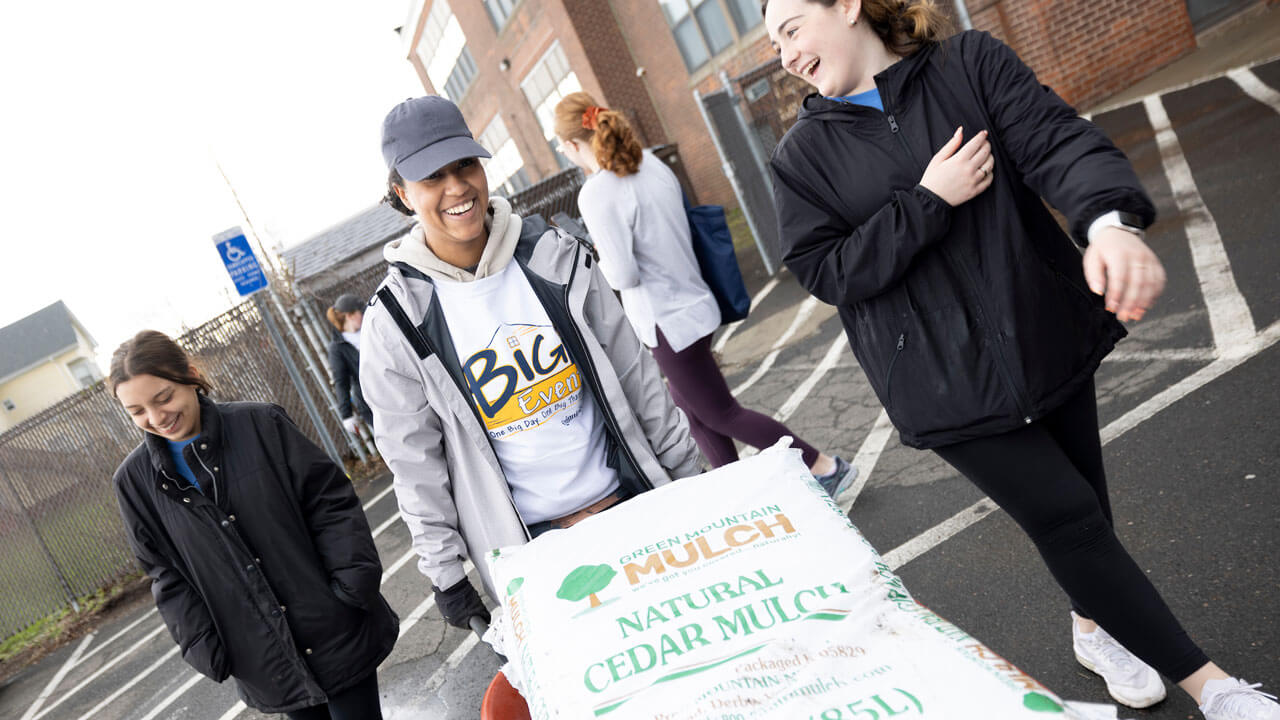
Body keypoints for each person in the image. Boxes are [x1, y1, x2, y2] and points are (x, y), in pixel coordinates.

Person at [762, 1, 1280, 718]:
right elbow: (827, 270)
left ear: (848, 7)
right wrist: (927, 202)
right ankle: (1216, 691)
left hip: (1041, 327)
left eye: (791, 29)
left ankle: (1095, 627)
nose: (785, 56)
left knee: (1088, 505)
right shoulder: (800, 159)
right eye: (774, 44)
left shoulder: (969, 64)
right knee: (1069, 520)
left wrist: (1107, 222)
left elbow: (1055, 140)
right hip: (942, 382)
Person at [360, 95, 702, 629]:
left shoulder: (554, 255)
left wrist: (687, 473)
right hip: (537, 552)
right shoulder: (396, 321)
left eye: (465, 165)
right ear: (403, 194)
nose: (457, 188)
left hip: (633, 505)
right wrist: (446, 575)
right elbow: (414, 463)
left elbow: (637, 377)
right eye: (432, 178)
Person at [552, 91, 858, 498]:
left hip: (666, 323)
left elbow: (623, 274)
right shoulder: (651, 165)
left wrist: (593, 256)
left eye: (560, 146)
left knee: (722, 413)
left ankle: (825, 467)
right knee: (697, 417)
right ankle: (739, 497)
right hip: (694, 307)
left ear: (573, 144)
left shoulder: (597, 193)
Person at [109, 330, 397, 719]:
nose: (157, 418)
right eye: (137, 411)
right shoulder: (134, 483)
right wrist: (204, 645)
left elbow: (329, 502)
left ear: (191, 376)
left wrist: (350, 585)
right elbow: (164, 573)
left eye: (163, 398)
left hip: (335, 629)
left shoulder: (261, 423)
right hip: (264, 658)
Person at [326, 293, 373, 433]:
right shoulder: (337, 348)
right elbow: (341, 381)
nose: (364, 315)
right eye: (360, 312)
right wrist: (346, 415)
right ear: (350, 315)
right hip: (369, 401)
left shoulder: (371, 329)